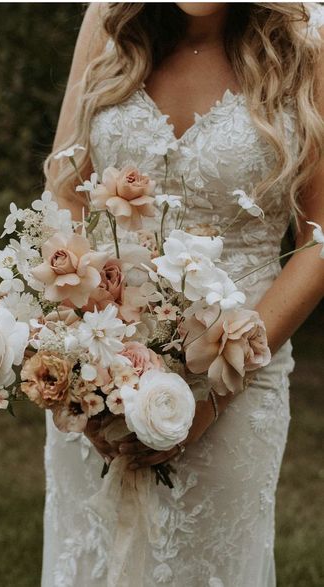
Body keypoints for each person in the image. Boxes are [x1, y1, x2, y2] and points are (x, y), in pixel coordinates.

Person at [41, 3, 324, 586]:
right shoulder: (110, 17)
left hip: (239, 383)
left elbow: (320, 238)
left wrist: (211, 394)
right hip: (100, 369)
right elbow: (65, 193)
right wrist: (88, 360)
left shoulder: (307, 37)